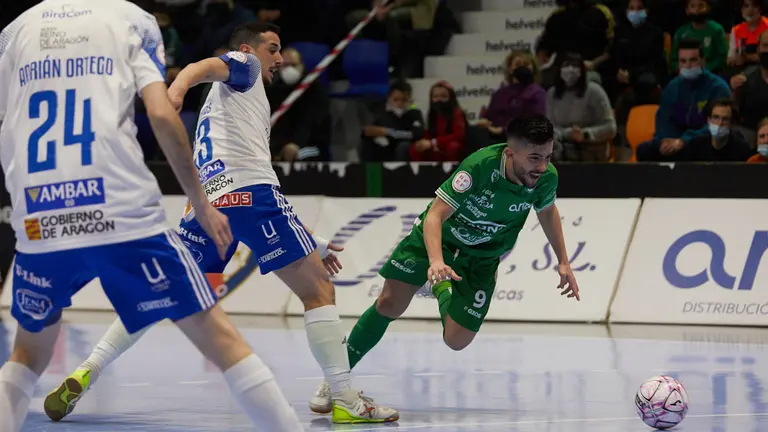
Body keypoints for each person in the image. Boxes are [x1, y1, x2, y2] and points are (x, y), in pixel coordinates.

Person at [45, 21, 398, 425]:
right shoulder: (244, 65)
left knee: (158, 297)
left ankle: (86, 370)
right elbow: (202, 66)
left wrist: (310, 240)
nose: (279, 58)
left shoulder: (223, 104)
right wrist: (176, 89)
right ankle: (344, 398)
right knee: (318, 290)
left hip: (208, 207)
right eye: (273, 48)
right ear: (248, 48)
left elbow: (228, 176)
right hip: (253, 196)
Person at [0, 2, 304, 431]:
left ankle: (90, 366)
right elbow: (162, 114)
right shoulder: (130, 20)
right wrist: (199, 201)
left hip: (41, 213)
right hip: (119, 205)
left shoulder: (18, 28)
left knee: (26, 356)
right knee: (216, 333)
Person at [310, 114, 581, 413]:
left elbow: (547, 212)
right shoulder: (478, 168)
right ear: (510, 152)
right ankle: (334, 381)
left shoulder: (546, 177)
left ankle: (439, 288)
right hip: (442, 240)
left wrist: (563, 261)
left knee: (456, 340)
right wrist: (436, 261)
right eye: (534, 158)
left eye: (547, 156)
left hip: (483, 257)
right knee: (389, 304)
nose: (541, 166)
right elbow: (435, 216)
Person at [635, 38, 731, 161]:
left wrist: (684, 140)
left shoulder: (718, 88)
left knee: (695, 150)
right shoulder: (672, 87)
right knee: (644, 150)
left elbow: (717, 124)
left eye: (693, 60)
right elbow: (664, 120)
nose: (688, 66)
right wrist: (668, 141)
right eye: (683, 61)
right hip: (674, 139)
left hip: (703, 140)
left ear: (703, 61)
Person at [547, 51, 617, 162]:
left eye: (575, 66)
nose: (570, 69)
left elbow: (610, 128)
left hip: (591, 149)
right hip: (561, 147)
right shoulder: (552, 93)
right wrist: (567, 134)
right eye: (566, 65)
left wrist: (586, 134)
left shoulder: (594, 92)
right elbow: (550, 126)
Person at [662, 99, 753, 161]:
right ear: (709, 121)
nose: (720, 123)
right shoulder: (696, 146)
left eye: (725, 119)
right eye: (716, 117)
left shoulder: (742, 150)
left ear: (732, 123)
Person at [409, 80, 467, 162]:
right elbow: (429, 133)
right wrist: (425, 142)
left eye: (443, 96)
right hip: (435, 145)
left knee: (453, 147)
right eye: (435, 97)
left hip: (449, 145)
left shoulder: (456, 112)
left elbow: (458, 135)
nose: (439, 99)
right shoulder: (432, 113)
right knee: (416, 148)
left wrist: (434, 142)